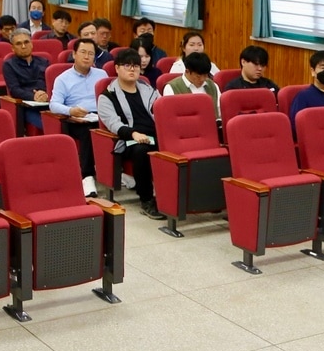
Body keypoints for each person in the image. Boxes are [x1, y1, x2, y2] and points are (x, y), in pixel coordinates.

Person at [98, 47, 166, 219]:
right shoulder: (107, 96)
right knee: (141, 150)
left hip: (154, 136)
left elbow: (163, 113)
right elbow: (113, 124)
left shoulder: (148, 90)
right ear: (117, 68)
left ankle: (172, 199)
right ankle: (147, 200)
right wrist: (134, 134)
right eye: (127, 65)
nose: (132, 69)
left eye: (135, 66)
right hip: (127, 140)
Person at [50, 37, 108, 196]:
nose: (87, 56)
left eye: (91, 53)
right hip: (75, 119)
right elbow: (53, 105)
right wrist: (71, 111)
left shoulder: (101, 73)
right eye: (83, 52)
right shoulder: (63, 78)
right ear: (74, 54)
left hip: (100, 115)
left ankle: (115, 172)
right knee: (89, 132)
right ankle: (87, 177)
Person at [2, 29, 50, 130]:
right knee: (46, 127)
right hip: (26, 106)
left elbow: (49, 83)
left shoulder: (43, 61)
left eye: (26, 42)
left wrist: (43, 93)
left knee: (60, 124)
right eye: (19, 44)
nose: (23, 46)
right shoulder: (9, 65)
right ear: (13, 48)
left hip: (47, 102)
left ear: (32, 44)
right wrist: (34, 97)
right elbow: (14, 89)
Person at [163, 51, 221, 117]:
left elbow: (219, 112)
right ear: (187, 71)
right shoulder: (171, 88)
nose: (202, 79)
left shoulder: (213, 86)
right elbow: (170, 116)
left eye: (205, 75)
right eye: (198, 76)